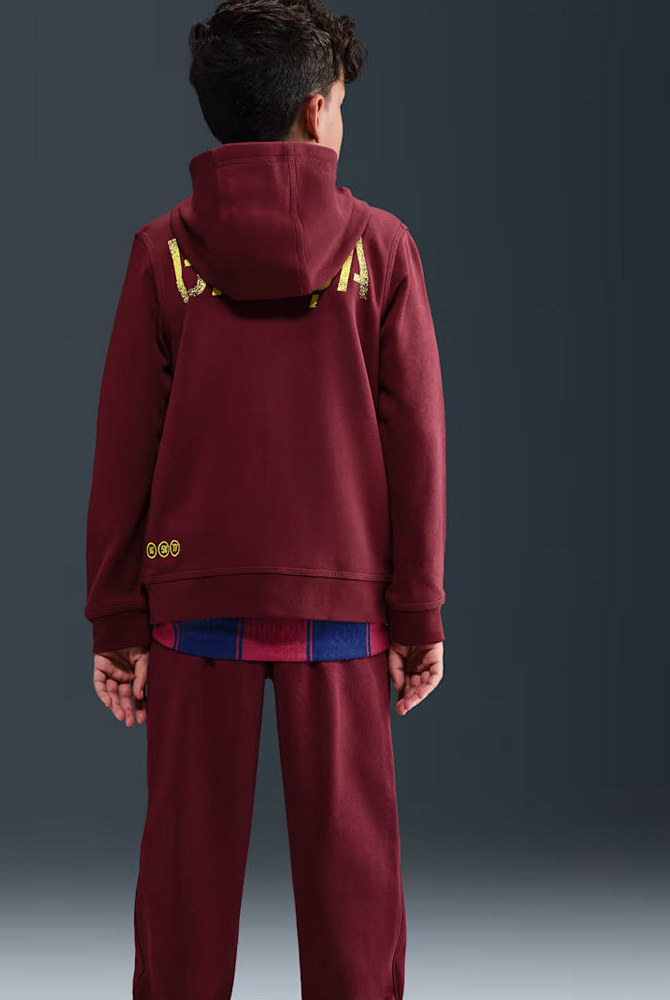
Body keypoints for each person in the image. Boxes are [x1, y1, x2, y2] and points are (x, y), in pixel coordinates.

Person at [83, 2, 446, 997]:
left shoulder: (160, 251)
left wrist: (117, 616)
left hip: (193, 598)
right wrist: (418, 611)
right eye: (341, 105)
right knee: (355, 884)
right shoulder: (384, 247)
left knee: (184, 881)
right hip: (345, 604)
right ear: (317, 111)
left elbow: (124, 446)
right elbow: (417, 445)